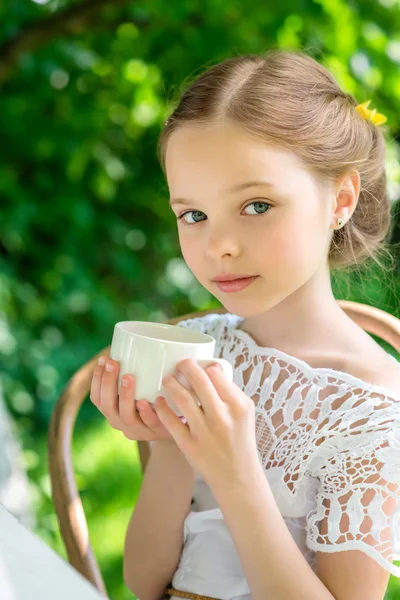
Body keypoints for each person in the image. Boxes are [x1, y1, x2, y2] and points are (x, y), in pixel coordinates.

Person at [90, 49, 400, 600]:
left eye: (256, 206)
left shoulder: (372, 414)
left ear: (341, 199)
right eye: (193, 215)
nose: (219, 247)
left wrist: (236, 475)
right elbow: (145, 582)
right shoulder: (210, 347)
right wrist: (171, 443)